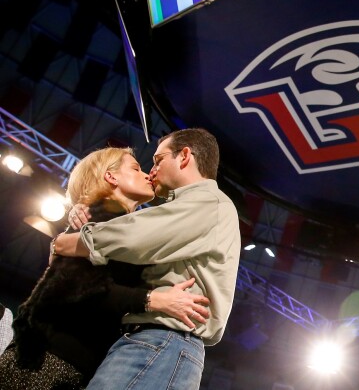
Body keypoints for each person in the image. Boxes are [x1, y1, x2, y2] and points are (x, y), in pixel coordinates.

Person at [0, 147, 210, 390]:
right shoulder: (98, 218)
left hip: (64, 365)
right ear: (111, 177)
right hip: (44, 362)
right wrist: (152, 299)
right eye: (135, 169)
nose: (146, 175)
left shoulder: (119, 226)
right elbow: (73, 287)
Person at [53, 128, 241, 390]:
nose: (151, 170)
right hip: (159, 343)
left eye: (157, 160)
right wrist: (85, 210)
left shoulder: (209, 202)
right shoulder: (190, 208)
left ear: (184, 156)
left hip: (161, 341)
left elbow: (135, 236)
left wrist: (74, 240)